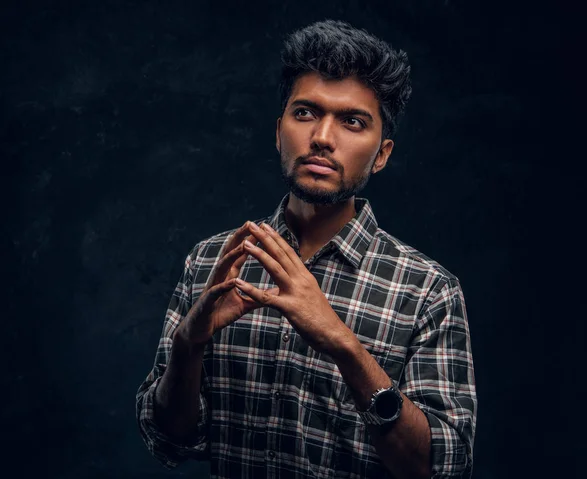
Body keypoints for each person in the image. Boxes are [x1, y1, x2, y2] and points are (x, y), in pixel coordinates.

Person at [136, 19, 477, 479]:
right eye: (305, 113)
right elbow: (170, 441)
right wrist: (187, 345)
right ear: (279, 132)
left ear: (382, 154)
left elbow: (443, 467)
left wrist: (343, 344)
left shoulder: (428, 291)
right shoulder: (212, 262)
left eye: (353, 121)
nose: (321, 137)